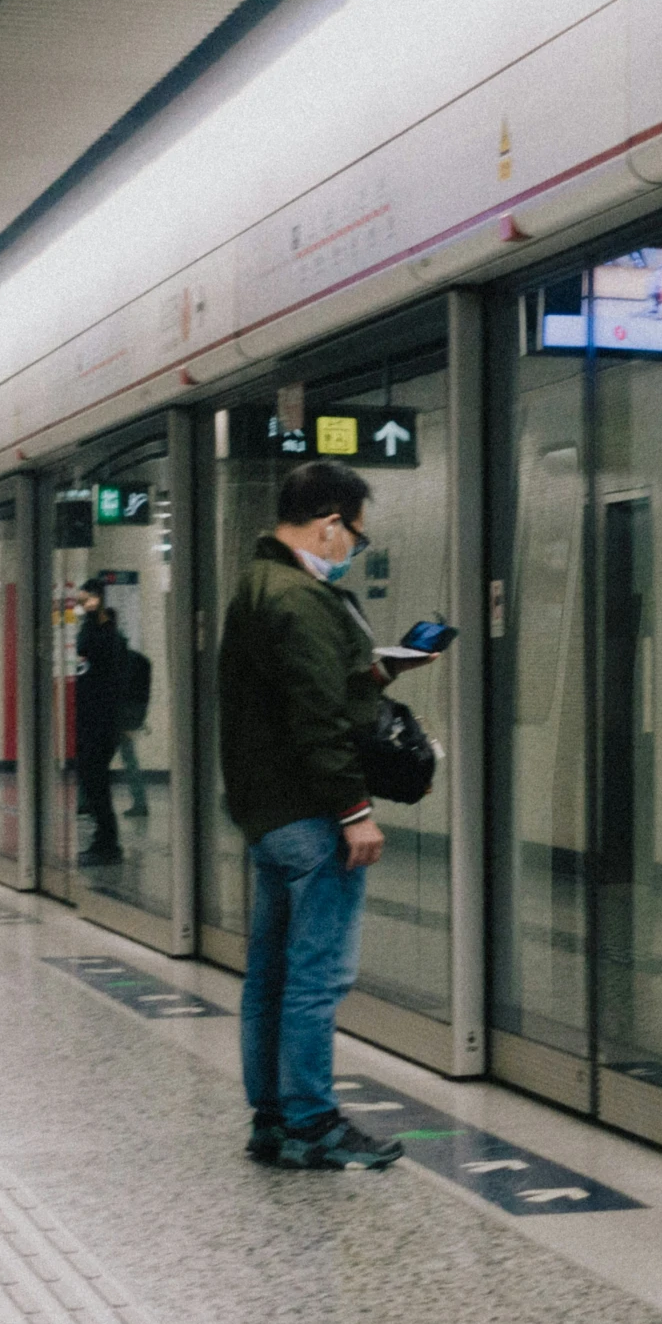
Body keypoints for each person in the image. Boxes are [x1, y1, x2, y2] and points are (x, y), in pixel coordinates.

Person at [217, 459, 432, 1171]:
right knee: (317, 976)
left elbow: (296, 691)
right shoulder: (301, 597)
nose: (352, 554)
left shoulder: (256, 585)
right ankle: (312, 1122)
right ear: (331, 524)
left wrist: (375, 672)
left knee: (271, 974)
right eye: (356, 541)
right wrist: (355, 812)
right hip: (310, 813)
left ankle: (272, 1119)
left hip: (267, 812)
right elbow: (317, 718)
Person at [72, 579, 128, 867]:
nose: (84, 606)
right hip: (93, 717)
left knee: (96, 780)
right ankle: (103, 839)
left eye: (88, 601)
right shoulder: (99, 630)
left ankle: (108, 842)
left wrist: (91, 621)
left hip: (101, 720)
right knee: (93, 781)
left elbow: (88, 650)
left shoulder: (107, 635)